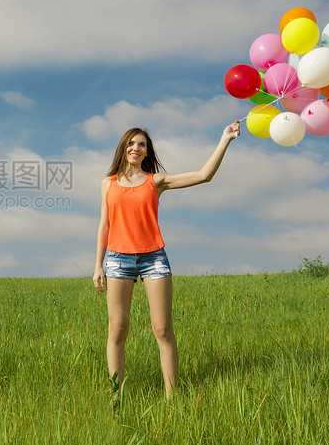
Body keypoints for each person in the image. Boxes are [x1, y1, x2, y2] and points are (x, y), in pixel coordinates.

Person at [92, 121, 241, 403]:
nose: (136, 148)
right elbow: (104, 225)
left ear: (148, 152)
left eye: (142, 145)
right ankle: (116, 397)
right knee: (117, 329)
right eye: (131, 143)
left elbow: (203, 175)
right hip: (117, 260)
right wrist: (98, 265)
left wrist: (225, 140)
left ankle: (173, 398)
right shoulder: (107, 183)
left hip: (154, 259)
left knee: (162, 329)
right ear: (123, 148)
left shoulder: (155, 181)